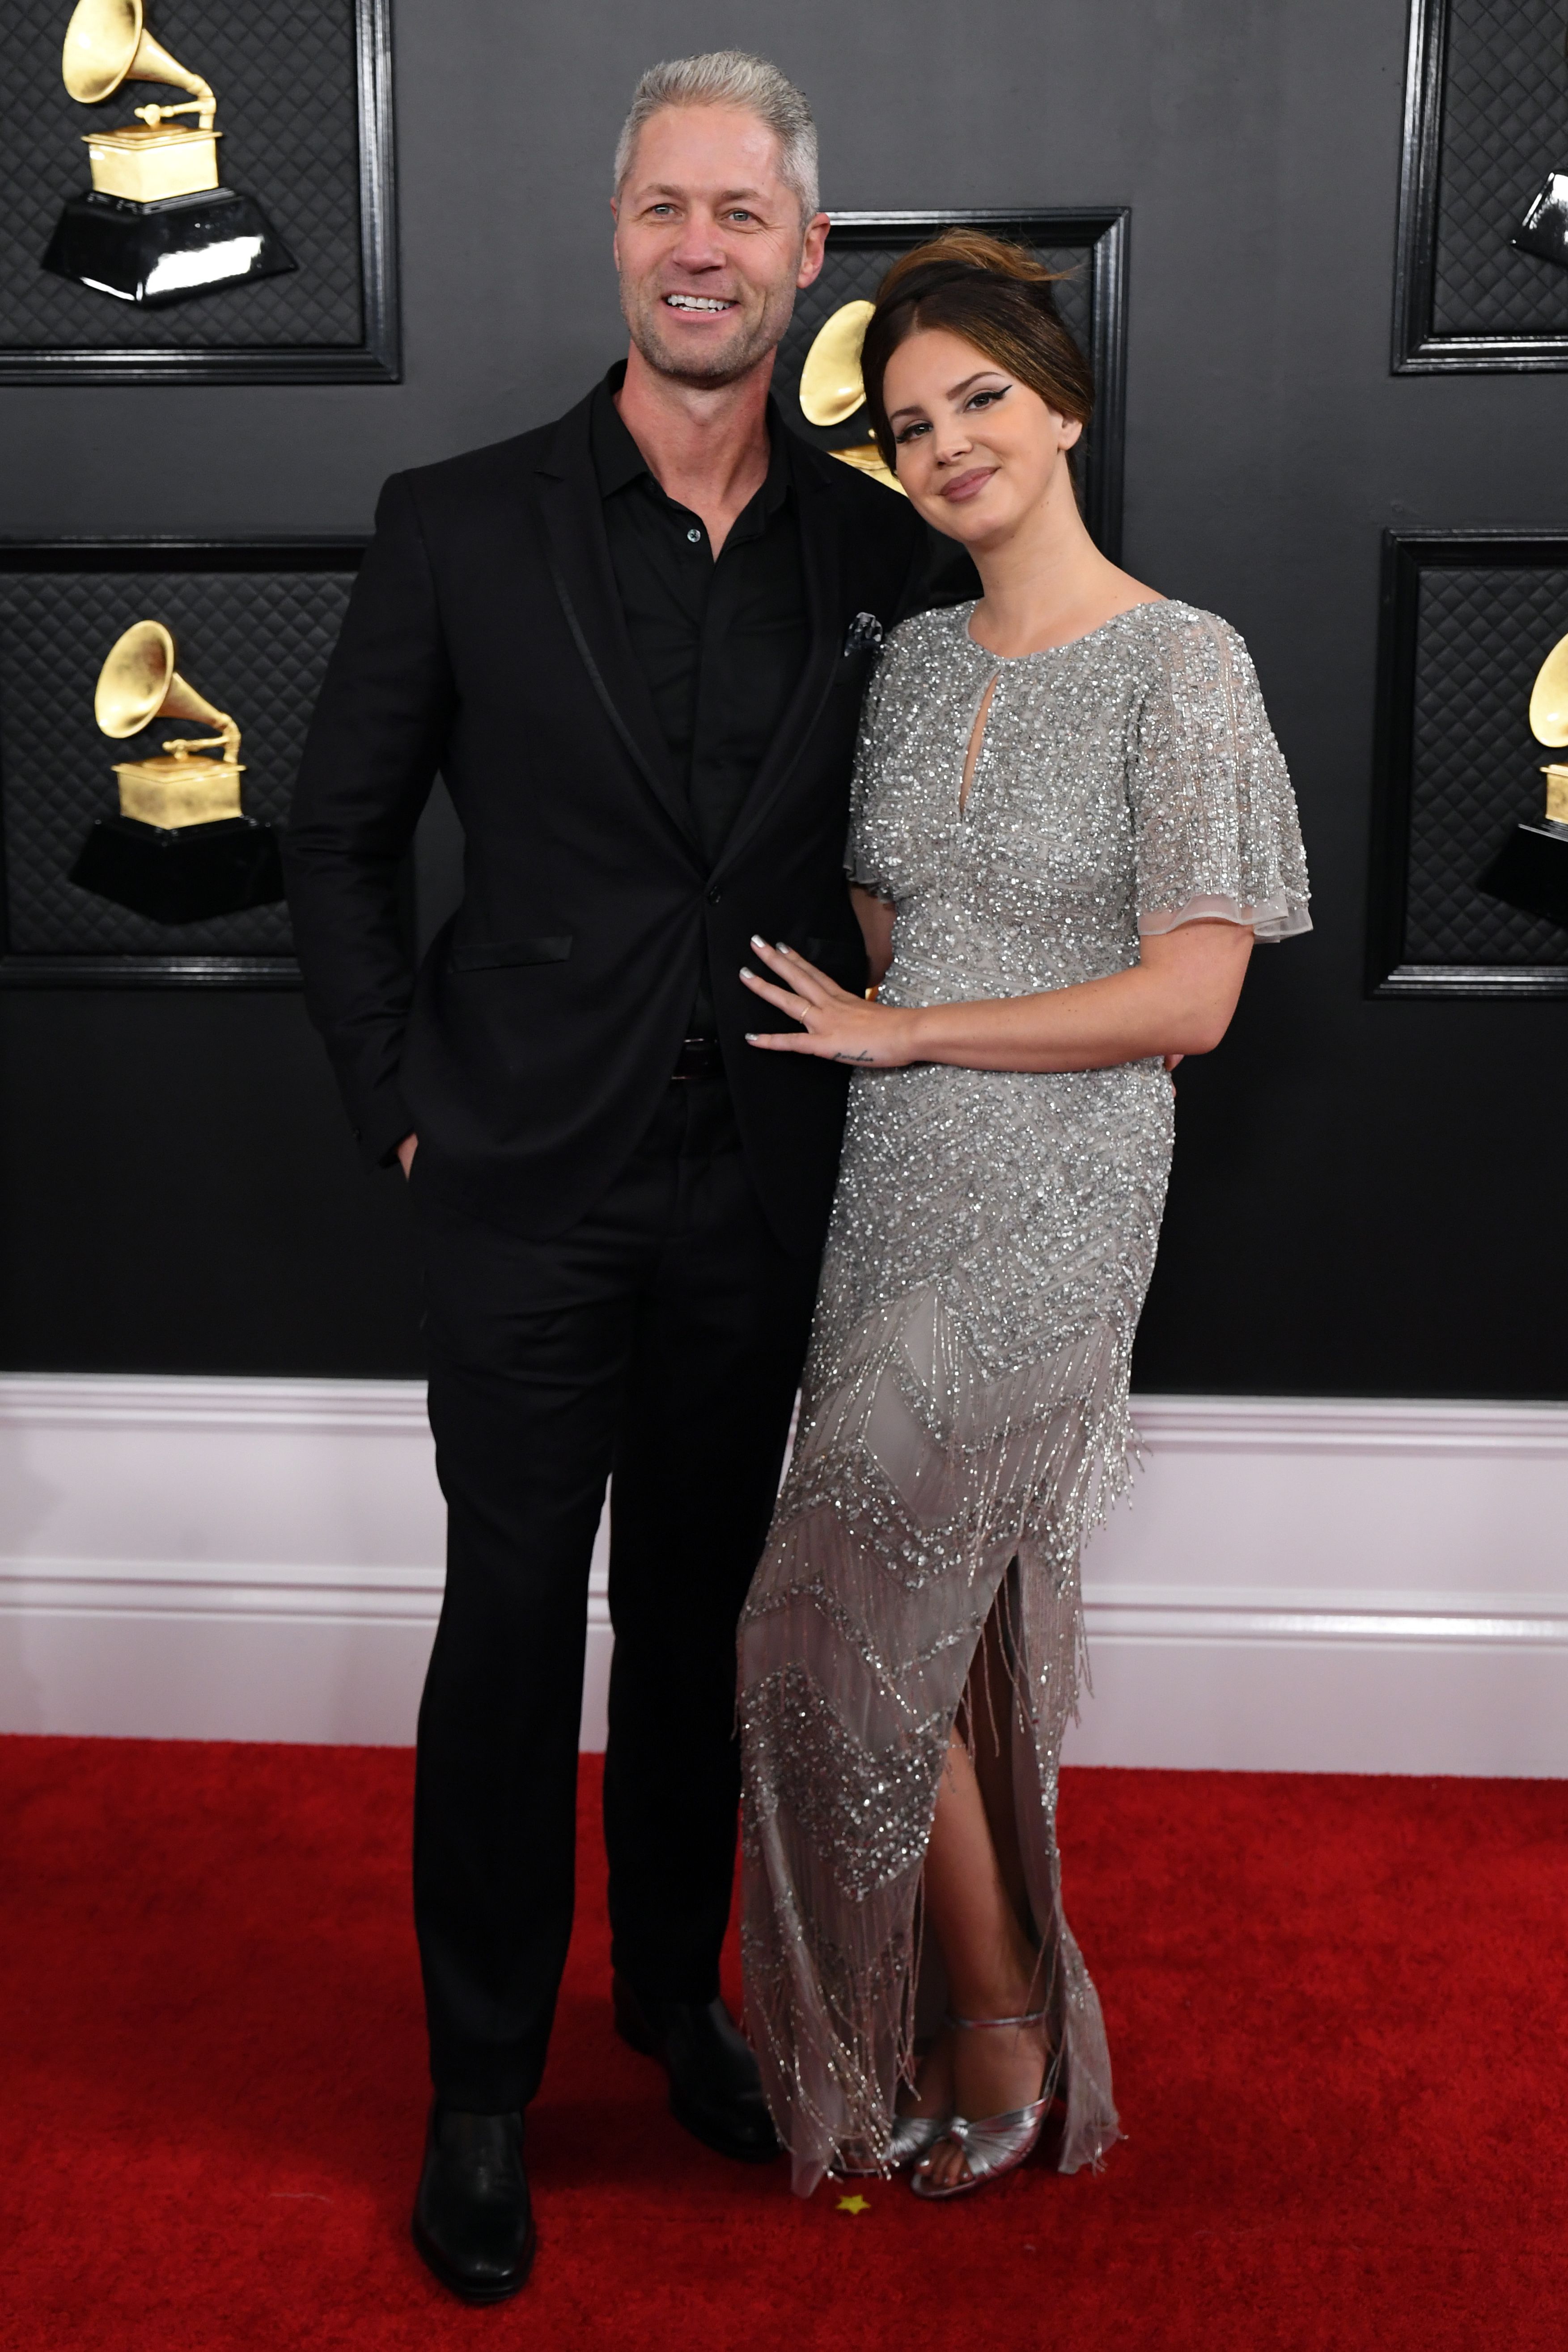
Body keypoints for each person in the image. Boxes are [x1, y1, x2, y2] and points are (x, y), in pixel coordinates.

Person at [285, 52, 970, 2305]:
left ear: (805, 252)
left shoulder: (883, 549)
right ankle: (479, 2080)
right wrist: (407, 1092)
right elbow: (337, 837)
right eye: (665, 207)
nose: (701, 247)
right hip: (521, 1178)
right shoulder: (454, 518)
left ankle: (670, 2001)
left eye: (743, 214)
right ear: (621, 238)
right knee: (509, 1626)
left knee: (693, 1627)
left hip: (762, 1181)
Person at [736, 231, 1310, 2200]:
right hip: (894, 1192)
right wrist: (905, 1044)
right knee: (909, 1628)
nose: (950, 441)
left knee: (825, 1626)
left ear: (1061, 407)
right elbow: (896, 911)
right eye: (909, 426)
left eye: (981, 396)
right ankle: (969, 2016)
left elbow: (1193, 997)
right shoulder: (900, 668)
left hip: (1060, 1195)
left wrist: (916, 1040)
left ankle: (982, 2017)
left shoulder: (1185, 660)